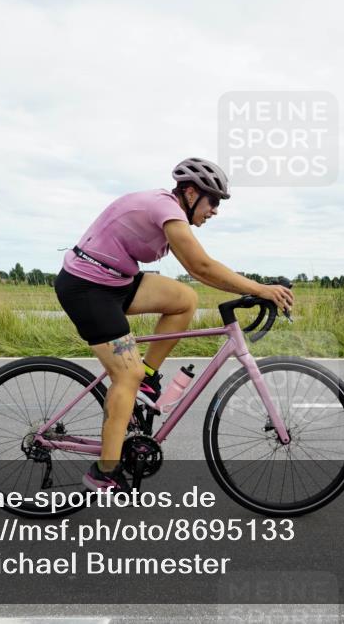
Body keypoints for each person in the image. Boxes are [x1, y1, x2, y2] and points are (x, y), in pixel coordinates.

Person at [54, 158, 294, 493]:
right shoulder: (165, 210)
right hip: (87, 287)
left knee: (184, 300)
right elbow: (201, 266)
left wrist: (256, 288)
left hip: (117, 282)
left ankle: (147, 377)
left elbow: (198, 273)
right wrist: (258, 288)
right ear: (192, 192)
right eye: (213, 202)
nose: (214, 211)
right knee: (127, 374)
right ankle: (104, 472)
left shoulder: (172, 213)